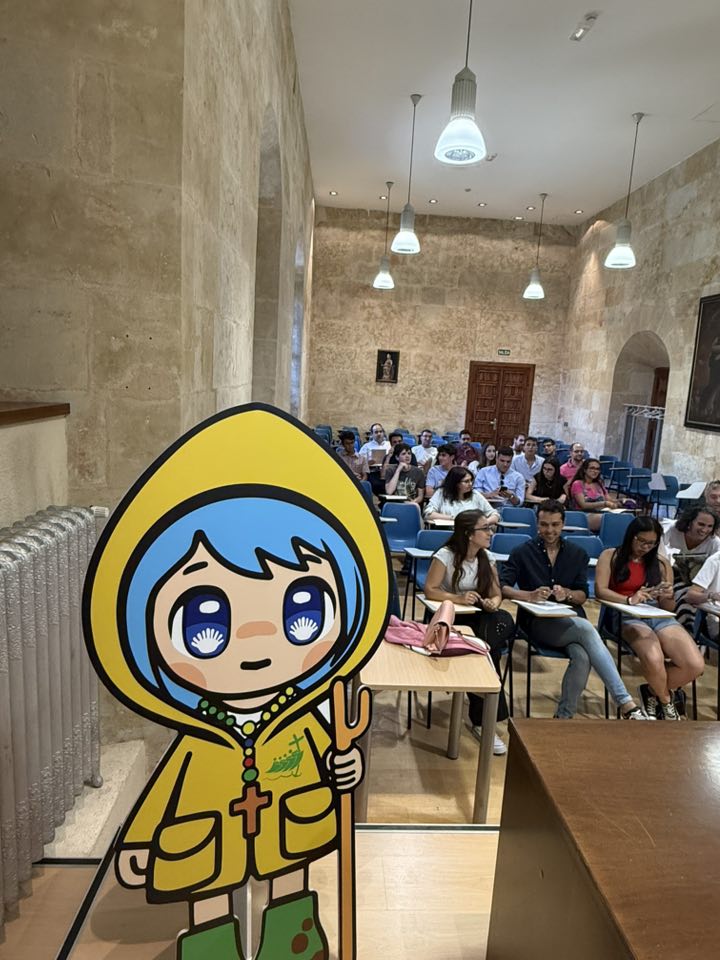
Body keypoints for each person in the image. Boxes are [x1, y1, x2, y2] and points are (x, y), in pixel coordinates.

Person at [85, 406, 391, 960]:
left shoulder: (298, 718)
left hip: (291, 826)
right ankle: (212, 951)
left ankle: (291, 947)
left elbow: (332, 757)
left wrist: (345, 766)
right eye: (204, 622)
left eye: (303, 612)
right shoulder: (201, 737)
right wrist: (142, 837)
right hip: (207, 842)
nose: (256, 646)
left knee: (291, 884)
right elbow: (169, 783)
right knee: (208, 897)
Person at [500, 500, 646, 720]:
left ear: (563, 524)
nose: (549, 530)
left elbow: (582, 595)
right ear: (537, 524)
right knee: (587, 629)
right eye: (544, 525)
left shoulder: (577, 554)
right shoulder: (522, 552)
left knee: (582, 656)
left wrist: (567, 594)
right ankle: (626, 703)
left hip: (571, 620)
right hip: (537, 623)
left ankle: (563, 717)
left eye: (555, 525)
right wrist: (528, 595)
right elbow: (503, 587)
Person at [595, 516, 705, 720]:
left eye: (651, 543)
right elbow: (600, 591)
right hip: (625, 613)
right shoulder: (610, 555)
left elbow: (668, 607)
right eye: (641, 541)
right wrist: (629, 599)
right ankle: (666, 701)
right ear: (631, 537)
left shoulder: (661, 563)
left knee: (694, 664)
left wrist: (668, 595)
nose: (645, 547)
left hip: (657, 614)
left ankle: (652, 691)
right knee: (654, 658)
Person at [424, 511, 515, 754]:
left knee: (502, 623)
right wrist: (458, 598)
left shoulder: (487, 557)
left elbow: (496, 593)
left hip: (478, 618)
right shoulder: (446, 555)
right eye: (484, 528)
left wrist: (493, 603)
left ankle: (478, 685)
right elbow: (430, 589)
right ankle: (484, 722)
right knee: (489, 653)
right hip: (450, 617)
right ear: (469, 534)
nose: (490, 533)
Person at [660, 507, 720, 628]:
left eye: (710, 526)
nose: (705, 530)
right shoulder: (671, 530)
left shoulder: (715, 543)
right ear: (690, 522)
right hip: (665, 575)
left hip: (696, 583)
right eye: (701, 524)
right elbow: (658, 558)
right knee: (682, 596)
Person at [424, 467, 500, 523]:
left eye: (471, 481)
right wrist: (453, 518)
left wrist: (484, 523)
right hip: (446, 533)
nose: (470, 484)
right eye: (466, 481)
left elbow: (495, 514)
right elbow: (428, 514)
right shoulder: (441, 493)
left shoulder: (475, 494)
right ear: (456, 483)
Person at [568, 458, 618, 531]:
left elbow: (609, 500)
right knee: (607, 519)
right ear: (585, 470)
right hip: (583, 515)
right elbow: (583, 505)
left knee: (621, 517)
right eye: (592, 468)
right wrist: (604, 503)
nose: (595, 471)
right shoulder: (578, 484)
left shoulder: (599, 484)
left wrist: (622, 501)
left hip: (601, 513)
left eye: (597, 469)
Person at [360, 423, 392, 495]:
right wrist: (367, 463)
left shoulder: (389, 445)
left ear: (383, 433)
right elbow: (360, 463)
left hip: (388, 472)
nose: (379, 434)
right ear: (372, 434)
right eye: (376, 432)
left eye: (381, 431)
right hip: (373, 472)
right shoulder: (366, 447)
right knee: (377, 484)